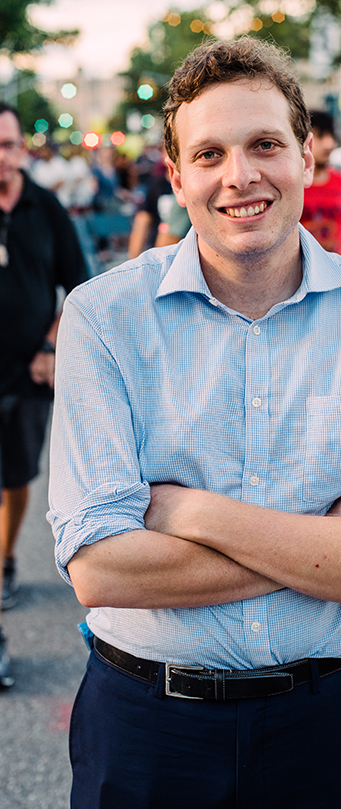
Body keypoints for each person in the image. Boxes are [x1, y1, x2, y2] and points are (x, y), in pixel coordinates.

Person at [48, 37, 341, 807]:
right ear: (176, 177)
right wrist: (337, 548)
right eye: (209, 154)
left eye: (265, 144)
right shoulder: (102, 319)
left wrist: (188, 512)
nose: (241, 176)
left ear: (308, 157)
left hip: (336, 720)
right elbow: (102, 569)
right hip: (147, 726)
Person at [0, 103, 88, 691]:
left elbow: (78, 285)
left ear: (20, 149)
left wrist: (52, 345)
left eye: (6, 145)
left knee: (14, 475)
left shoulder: (43, 207)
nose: (0, 157)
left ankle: (5, 558)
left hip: (27, 369)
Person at [300, 109, 341, 256]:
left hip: (340, 271)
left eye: (331, 136)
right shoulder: (291, 185)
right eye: (321, 136)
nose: (330, 144)